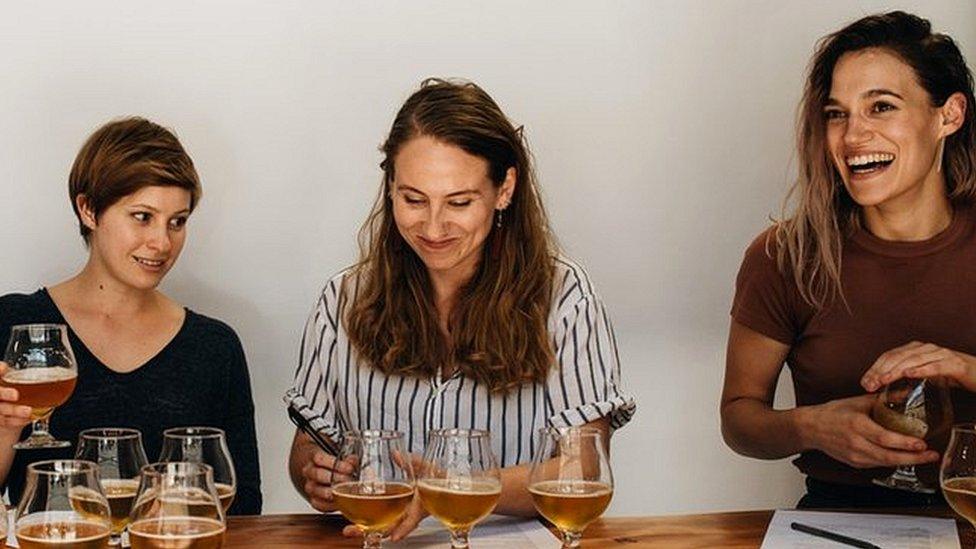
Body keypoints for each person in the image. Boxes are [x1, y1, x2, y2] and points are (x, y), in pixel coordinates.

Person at [285, 78, 635, 540]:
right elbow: (309, 446)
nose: (433, 226)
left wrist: (445, 491)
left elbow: (584, 468)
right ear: (390, 186)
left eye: (459, 202)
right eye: (413, 199)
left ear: (505, 189)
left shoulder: (564, 297)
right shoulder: (342, 299)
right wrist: (316, 473)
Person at [721, 11, 975, 508]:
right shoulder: (782, 257)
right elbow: (739, 418)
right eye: (837, 114)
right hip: (838, 523)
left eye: (881, 106)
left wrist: (968, 369)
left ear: (949, 115)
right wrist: (810, 426)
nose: (853, 136)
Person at [0, 117, 262, 514]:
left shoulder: (215, 347)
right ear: (88, 209)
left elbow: (243, 507)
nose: (162, 243)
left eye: (178, 222)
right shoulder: (13, 324)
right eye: (143, 216)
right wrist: (4, 432)